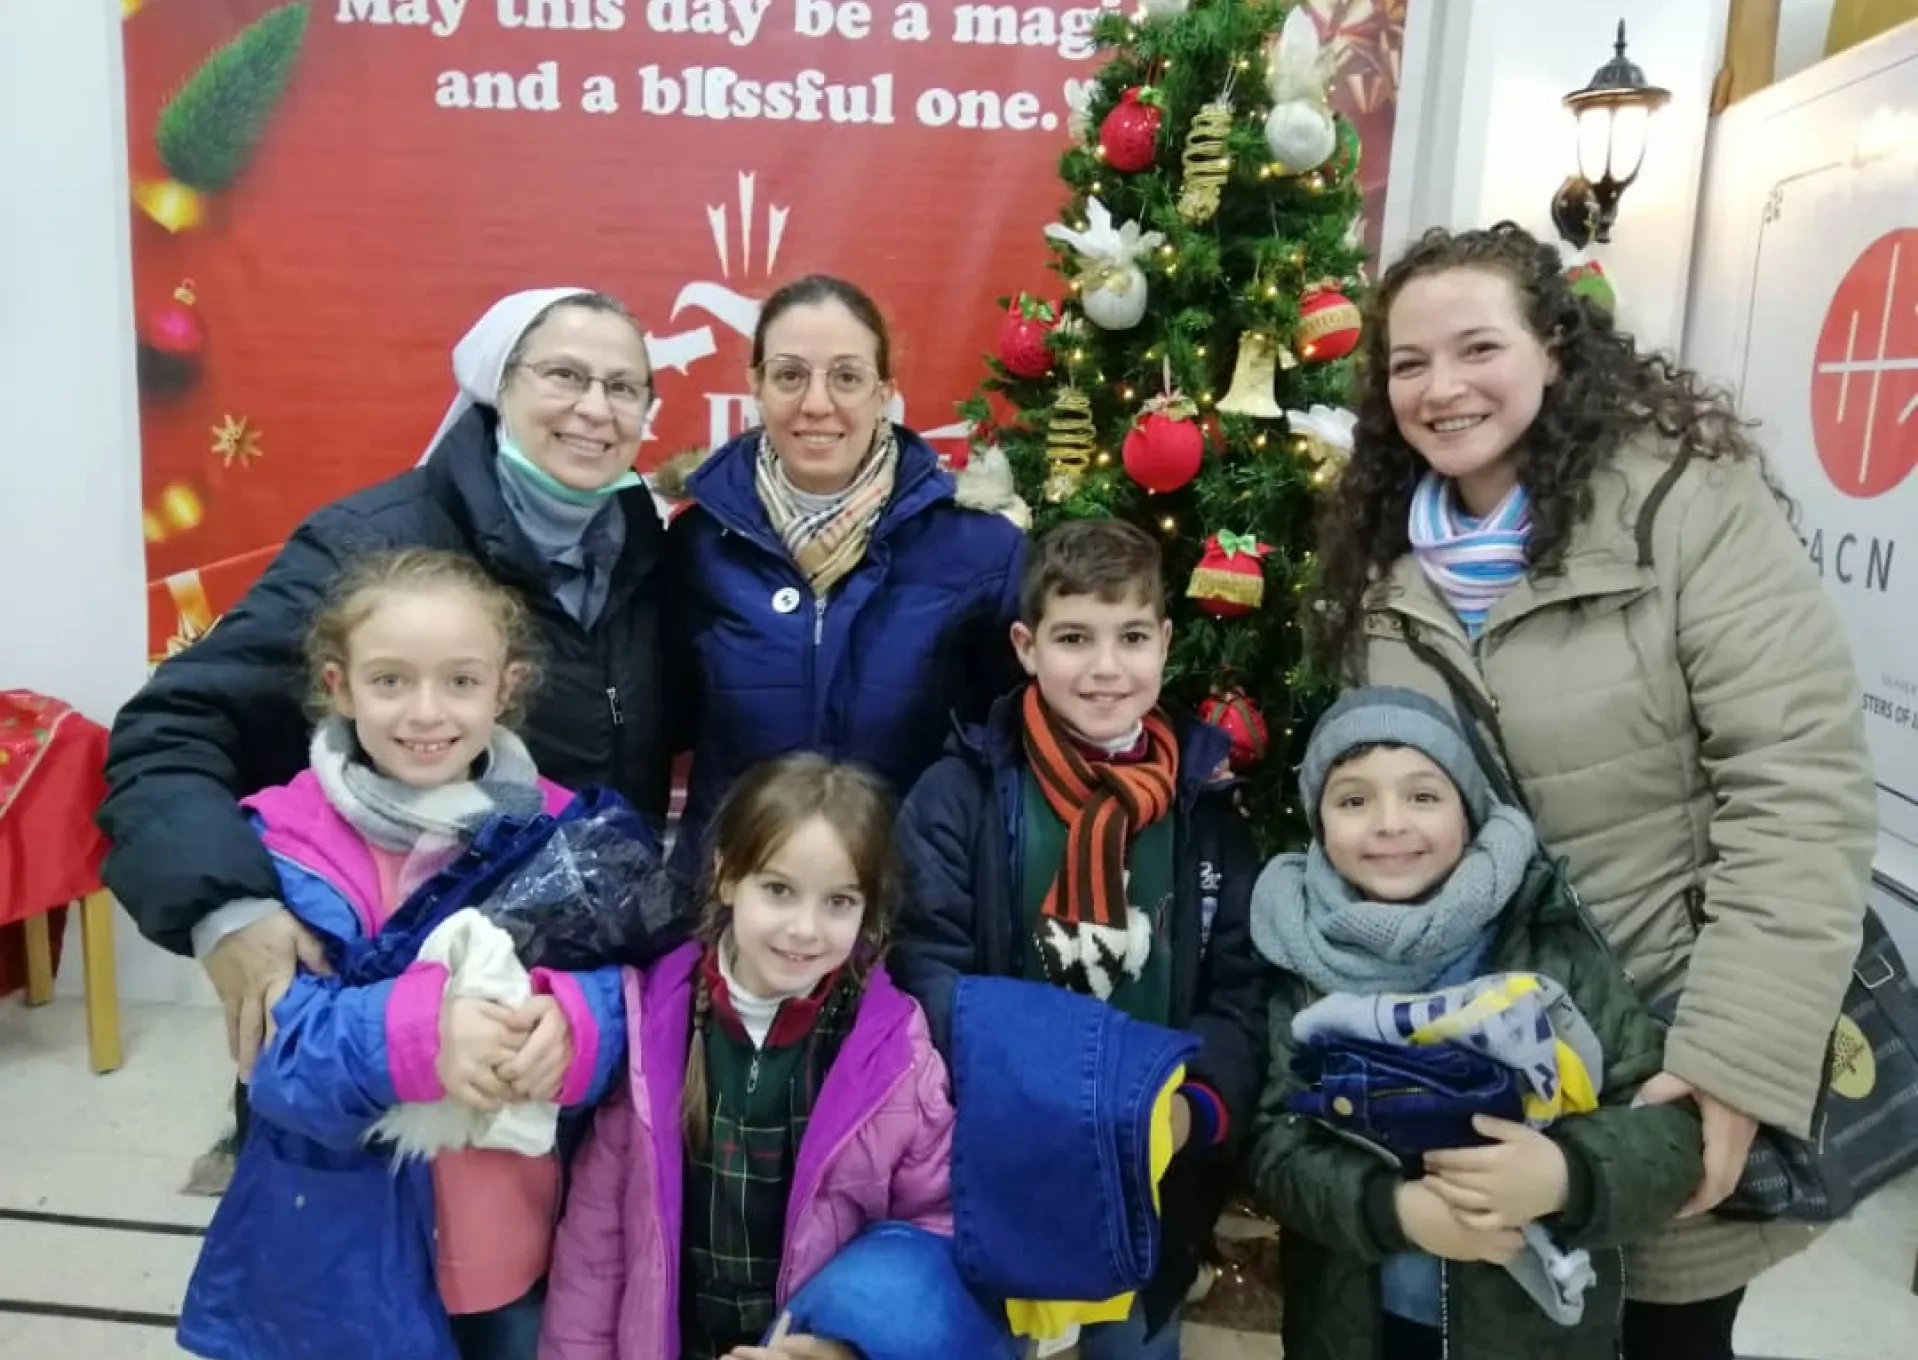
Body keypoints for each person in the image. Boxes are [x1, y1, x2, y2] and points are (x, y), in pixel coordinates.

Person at [1309, 221, 1878, 1359]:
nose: (1441, 386)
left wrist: (1728, 1060)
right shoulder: (1383, 557)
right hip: (1489, 1056)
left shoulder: (1682, 508)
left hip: (1665, 1043)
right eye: (1408, 363)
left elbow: (1799, 787)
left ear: (1555, 350)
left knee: (1664, 1327)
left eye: (1478, 348)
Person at [98, 288, 676, 1128]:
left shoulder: (646, 558)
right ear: (495, 387)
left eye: (624, 387)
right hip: (376, 1057)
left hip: (555, 1037)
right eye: (564, 375)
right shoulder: (368, 544)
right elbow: (170, 731)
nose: (595, 408)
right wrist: (225, 910)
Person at [175, 548, 628, 1360]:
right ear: (339, 685)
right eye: (390, 681)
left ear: (507, 686)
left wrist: (578, 1024)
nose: (426, 713)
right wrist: (425, 1037)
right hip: (343, 1258)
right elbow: (277, 1052)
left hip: (513, 1240)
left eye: (460, 681)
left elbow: (632, 982)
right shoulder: (280, 840)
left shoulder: (563, 831)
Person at [891, 518, 1265, 1360]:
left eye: (1131, 636)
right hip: (994, 1168)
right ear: (1026, 646)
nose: (1105, 668)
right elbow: (927, 968)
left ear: (1165, 642)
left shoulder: (1206, 811)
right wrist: (1049, 1098)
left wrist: (1188, 1111)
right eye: (1073, 638)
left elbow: (1238, 990)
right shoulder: (961, 797)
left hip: (1149, 1180)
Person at [1247, 686, 1705, 1360]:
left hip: (1528, 1338)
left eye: (1423, 796)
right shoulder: (1299, 956)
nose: (1389, 823)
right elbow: (1271, 1144)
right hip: (1356, 1330)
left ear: (1468, 809)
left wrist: (1566, 1174)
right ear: (1318, 821)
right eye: (1353, 800)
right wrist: (1393, 1211)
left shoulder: (1544, 939)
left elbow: (1666, 1128)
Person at [541, 753, 954, 1360]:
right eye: (779, 890)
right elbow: (596, 1246)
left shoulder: (898, 1056)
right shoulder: (654, 1024)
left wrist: (848, 1349)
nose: (805, 929)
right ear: (727, 876)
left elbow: (934, 1229)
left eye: (839, 902)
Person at [666, 274, 1025, 888]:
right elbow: (658, 724)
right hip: (733, 911)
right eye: (789, 375)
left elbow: (1015, 753)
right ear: (754, 385)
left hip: (908, 908)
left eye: (848, 377)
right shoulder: (696, 545)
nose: (816, 403)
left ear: (885, 391)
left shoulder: (983, 550)